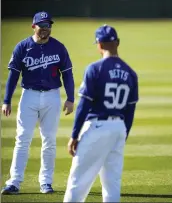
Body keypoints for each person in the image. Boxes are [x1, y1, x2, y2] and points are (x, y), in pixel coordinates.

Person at [1, 11, 75, 194]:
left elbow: (67, 74)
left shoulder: (58, 48)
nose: (45, 29)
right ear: (33, 26)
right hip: (29, 96)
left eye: (48, 25)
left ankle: (46, 182)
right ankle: (14, 182)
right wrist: (6, 100)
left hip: (52, 96)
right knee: (22, 139)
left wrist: (71, 98)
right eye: (41, 25)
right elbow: (13, 75)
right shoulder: (22, 47)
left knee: (49, 140)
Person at [63, 24, 138, 202]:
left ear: (99, 45)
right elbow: (130, 109)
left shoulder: (95, 69)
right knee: (112, 185)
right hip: (118, 128)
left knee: (77, 181)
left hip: (97, 127)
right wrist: (123, 133)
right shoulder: (130, 73)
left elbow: (84, 105)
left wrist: (74, 135)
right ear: (117, 43)